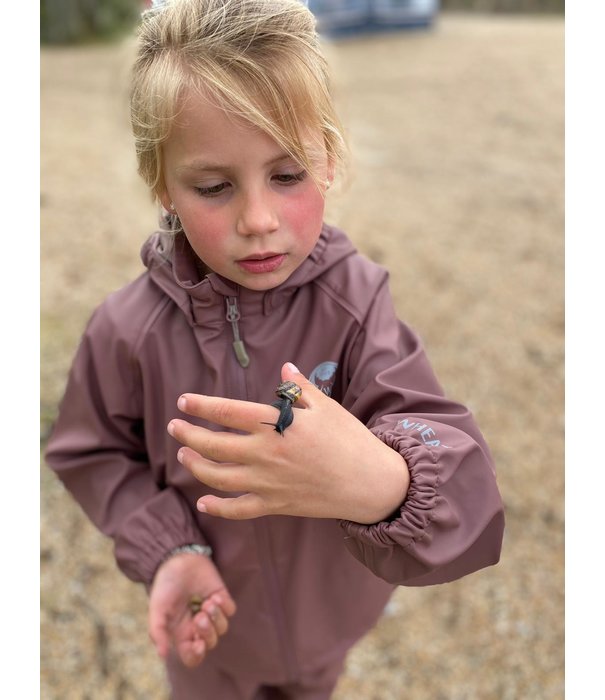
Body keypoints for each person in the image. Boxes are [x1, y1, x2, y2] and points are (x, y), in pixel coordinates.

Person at [45, 0, 505, 697]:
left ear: (327, 159)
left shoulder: (355, 303)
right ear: (161, 185)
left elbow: (467, 502)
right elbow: (90, 451)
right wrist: (171, 549)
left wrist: (377, 482)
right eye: (213, 186)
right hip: (210, 626)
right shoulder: (123, 329)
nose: (257, 221)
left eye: (286, 176)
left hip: (327, 626)